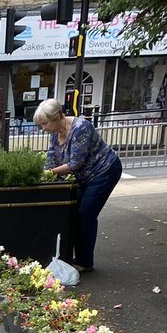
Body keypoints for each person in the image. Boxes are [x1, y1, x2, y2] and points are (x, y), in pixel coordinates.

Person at [35, 98, 122, 273]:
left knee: (86, 214)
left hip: (104, 171)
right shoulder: (55, 133)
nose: (43, 129)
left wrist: (50, 174)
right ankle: (73, 256)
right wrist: (43, 175)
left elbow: (76, 163)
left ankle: (85, 262)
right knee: (74, 213)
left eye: (44, 124)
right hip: (84, 177)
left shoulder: (82, 128)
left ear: (57, 117)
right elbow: (51, 159)